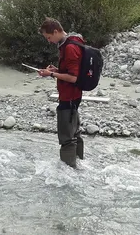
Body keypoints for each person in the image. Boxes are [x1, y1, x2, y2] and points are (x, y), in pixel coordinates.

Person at [37, 17, 84, 167]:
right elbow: (71, 72)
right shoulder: (73, 42)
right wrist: (56, 71)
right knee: (75, 133)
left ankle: (69, 172)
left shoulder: (69, 48)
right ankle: (79, 164)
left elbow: (73, 77)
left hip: (69, 96)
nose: (49, 41)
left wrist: (51, 74)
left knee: (67, 137)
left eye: (49, 37)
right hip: (74, 96)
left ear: (56, 31)